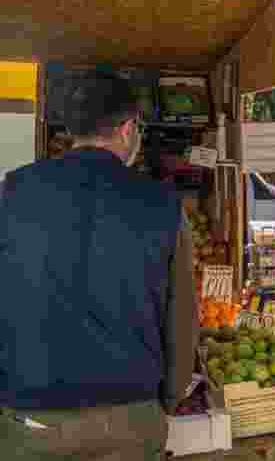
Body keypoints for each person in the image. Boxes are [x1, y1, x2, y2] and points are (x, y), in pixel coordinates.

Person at [0, 71, 197, 460]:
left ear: (72, 130)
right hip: (129, 417)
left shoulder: (12, 191)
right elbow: (182, 316)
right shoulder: (163, 204)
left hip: (31, 415)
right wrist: (170, 398)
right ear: (127, 129)